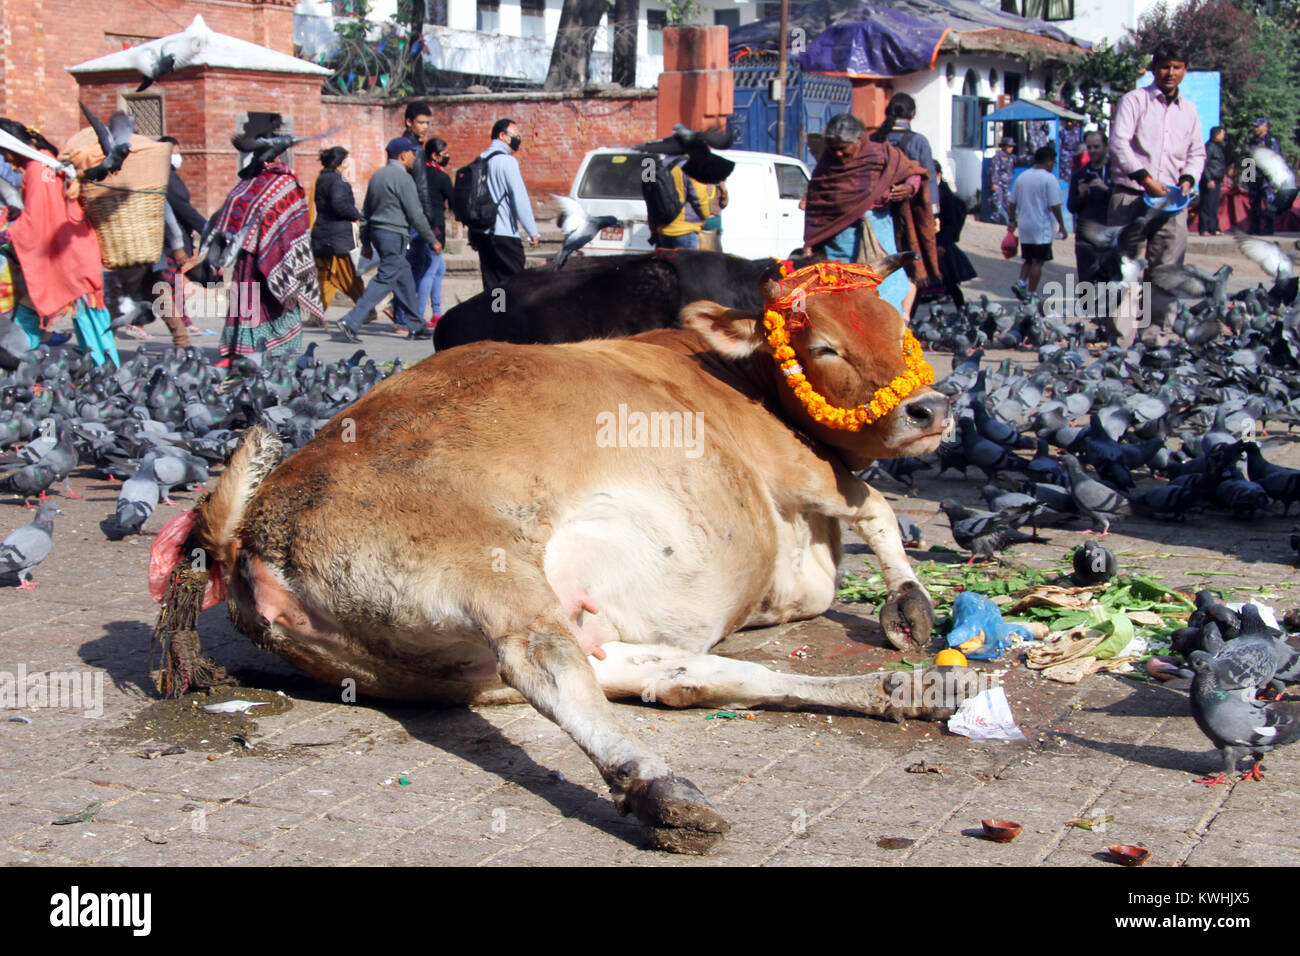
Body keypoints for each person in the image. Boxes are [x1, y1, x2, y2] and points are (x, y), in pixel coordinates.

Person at [0, 119, 118, 366]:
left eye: (5, 153)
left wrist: (8, 233)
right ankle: (17, 364)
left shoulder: (36, 170)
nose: (7, 160)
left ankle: (106, 370)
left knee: (88, 318)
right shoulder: (45, 161)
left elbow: (36, 221)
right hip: (70, 252)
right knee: (30, 313)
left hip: (67, 258)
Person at [800, 112, 938, 319]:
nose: (838, 154)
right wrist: (810, 244)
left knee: (883, 294)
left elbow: (913, 171)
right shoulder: (826, 166)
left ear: (858, 141)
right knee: (839, 298)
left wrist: (909, 188)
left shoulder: (882, 155)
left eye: (843, 149)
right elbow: (817, 205)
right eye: (833, 149)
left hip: (876, 235)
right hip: (837, 244)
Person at [207, 139, 323, 366]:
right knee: (265, 305)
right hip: (275, 256)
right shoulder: (284, 182)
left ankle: (243, 352)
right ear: (276, 157)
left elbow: (230, 214)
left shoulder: (247, 184)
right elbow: (295, 222)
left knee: (250, 303)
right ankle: (275, 352)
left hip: (255, 259)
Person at [1106, 40, 1204, 269]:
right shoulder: (1134, 101)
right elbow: (1119, 143)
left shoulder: (1189, 110)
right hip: (1132, 196)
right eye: (1164, 66)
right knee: (1124, 274)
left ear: (1185, 70)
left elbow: (1197, 153)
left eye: (1177, 67)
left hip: (1172, 202)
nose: (1170, 73)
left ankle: (1157, 307)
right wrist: (1145, 179)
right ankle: (1126, 305)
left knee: (1167, 274)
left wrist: (1188, 179)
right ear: (1153, 69)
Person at [334, 137, 441, 344]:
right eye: (412, 153)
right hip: (394, 234)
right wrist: (431, 239)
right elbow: (415, 214)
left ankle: (415, 325)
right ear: (403, 155)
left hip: (378, 233)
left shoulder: (378, 176)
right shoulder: (404, 178)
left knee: (405, 278)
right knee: (385, 278)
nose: (414, 157)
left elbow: (365, 213)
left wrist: (366, 242)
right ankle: (351, 321)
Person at [469, 118, 539, 293]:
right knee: (516, 284)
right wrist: (532, 231)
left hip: (482, 234)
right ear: (502, 135)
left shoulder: (478, 161)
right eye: (515, 135)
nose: (518, 139)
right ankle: (514, 319)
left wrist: (472, 234)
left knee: (494, 286)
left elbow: (471, 200)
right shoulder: (507, 162)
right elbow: (519, 197)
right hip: (504, 234)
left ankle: (497, 317)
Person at [391, 103, 435, 332]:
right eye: (421, 122)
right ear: (409, 122)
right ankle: (403, 317)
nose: (425, 127)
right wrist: (429, 221)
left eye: (427, 123)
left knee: (413, 266)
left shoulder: (405, 147)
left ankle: (399, 310)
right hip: (414, 218)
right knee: (413, 268)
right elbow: (422, 189)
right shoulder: (412, 152)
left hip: (406, 216)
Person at [311, 146, 366, 316]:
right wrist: (356, 215)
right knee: (349, 277)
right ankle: (366, 308)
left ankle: (317, 312)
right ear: (340, 162)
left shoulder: (321, 178)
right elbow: (340, 204)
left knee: (326, 278)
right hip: (337, 237)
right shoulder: (338, 180)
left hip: (322, 234)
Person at [1008, 144, 1067, 297]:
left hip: (1025, 225)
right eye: (1053, 161)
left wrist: (1012, 220)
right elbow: (1055, 205)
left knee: (1027, 258)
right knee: (1038, 261)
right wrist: (1062, 225)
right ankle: (1031, 293)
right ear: (1048, 161)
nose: (1053, 165)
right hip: (1041, 226)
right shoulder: (1049, 179)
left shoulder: (1022, 177)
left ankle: (1021, 282)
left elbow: (1012, 202)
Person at [871, 93, 938, 210]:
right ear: (912, 113)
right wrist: (934, 212)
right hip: (909, 208)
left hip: (876, 206)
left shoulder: (874, 138)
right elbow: (929, 178)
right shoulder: (919, 141)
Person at [418, 136, 455, 326]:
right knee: (430, 271)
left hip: (421, 225)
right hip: (436, 227)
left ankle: (437, 311)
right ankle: (418, 315)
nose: (447, 157)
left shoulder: (419, 173)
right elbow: (453, 199)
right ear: (434, 155)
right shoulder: (441, 177)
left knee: (439, 268)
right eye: (444, 154)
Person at [1068, 129, 1113, 283]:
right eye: (1090, 147)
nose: (1093, 151)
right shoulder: (1079, 175)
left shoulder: (1115, 173)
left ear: (1106, 146)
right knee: (1086, 281)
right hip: (1085, 238)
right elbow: (1071, 207)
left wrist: (1105, 188)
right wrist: (1081, 195)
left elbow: (1121, 203)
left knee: (1108, 282)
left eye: (1097, 146)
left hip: (1108, 236)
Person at [647, 153, 716, 249]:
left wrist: (653, 226)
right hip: (685, 230)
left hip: (663, 230)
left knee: (665, 263)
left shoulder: (658, 165)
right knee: (685, 264)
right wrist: (706, 215)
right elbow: (699, 198)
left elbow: (650, 200)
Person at [934, 164, 976, 311]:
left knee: (950, 281)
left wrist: (943, 244)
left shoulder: (946, 196)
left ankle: (962, 311)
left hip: (941, 243)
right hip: (933, 242)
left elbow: (951, 224)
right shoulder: (933, 192)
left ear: (938, 175)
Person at [1248, 117, 1283, 236]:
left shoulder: (1271, 141)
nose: (1255, 128)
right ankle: (1255, 227)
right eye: (1255, 126)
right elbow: (1248, 158)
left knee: (1269, 202)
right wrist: (1248, 176)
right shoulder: (1253, 141)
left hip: (1266, 178)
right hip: (1254, 176)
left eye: (1258, 126)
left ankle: (1268, 227)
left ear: (1265, 127)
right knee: (1254, 202)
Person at [1198, 126, 1226, 236]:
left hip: (1217, 180)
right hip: (1209, 180)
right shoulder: (1209, 147)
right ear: (1216, 135)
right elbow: (1204, 164)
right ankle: (1204, 229)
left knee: (1214, 205)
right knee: (1206, 204)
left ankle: (1213, 228)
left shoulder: (1218, 147)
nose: (1223, 136)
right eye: (1222, 134)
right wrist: (1208, 179)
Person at [990, 136, 1016, 224]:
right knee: (997, 202)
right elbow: (995, 170)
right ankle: (994, 220)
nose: (1011, 148)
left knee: (1008, 203)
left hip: (1006, 184)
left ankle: (1012, 220)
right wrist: (994, 183)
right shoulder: (998, 157)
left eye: (1012, 146)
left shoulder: (1012, 157)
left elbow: (1021, 160)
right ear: (1004, 146)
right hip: (999, 183)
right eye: (1009, 146)